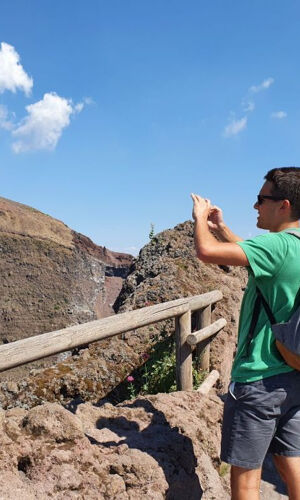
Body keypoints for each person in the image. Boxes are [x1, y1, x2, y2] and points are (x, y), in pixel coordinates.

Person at [191, 167, 300, 500]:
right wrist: (222, 228)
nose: (255, 206)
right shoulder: (291, 247)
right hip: (294, 371)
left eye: (261, 199)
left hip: (258, 379)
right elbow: (256, 258)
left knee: (247, 480)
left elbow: (205, 252)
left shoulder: (276, 246)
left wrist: (199, 218)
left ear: (283, 205)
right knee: (292, 465)